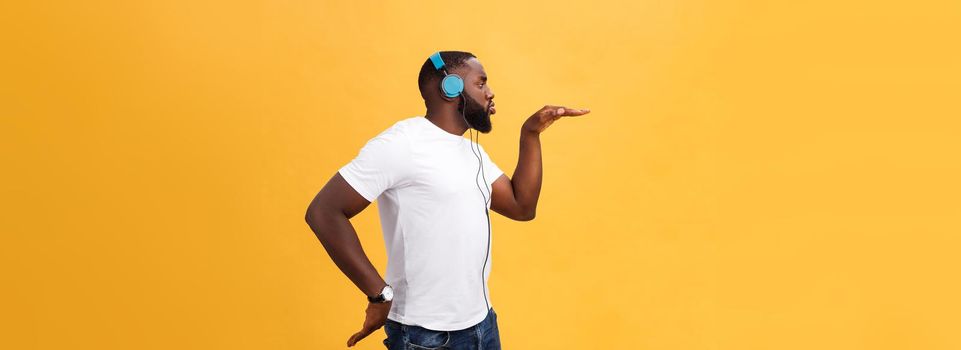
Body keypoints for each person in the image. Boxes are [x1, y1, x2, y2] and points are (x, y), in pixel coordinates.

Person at [304, 50, 590, 349]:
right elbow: (323, 212)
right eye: (481, 83)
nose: (491, 93)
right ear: (451, 88)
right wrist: (379, 293)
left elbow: (521, 206)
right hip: (425, 336)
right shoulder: (402, 143)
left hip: (482, 325)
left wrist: (530, 134)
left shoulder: (472, 152)